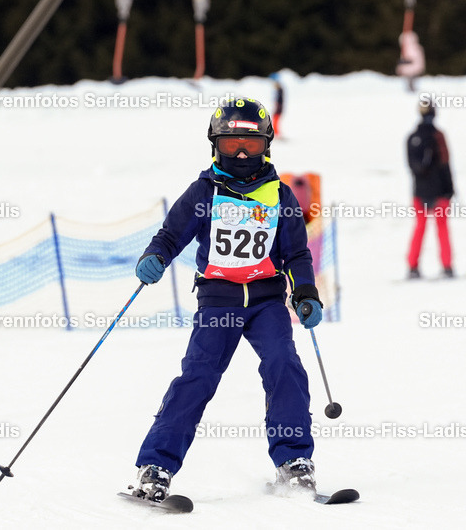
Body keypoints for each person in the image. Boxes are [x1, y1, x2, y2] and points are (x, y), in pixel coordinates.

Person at [129, 98, 322, 502]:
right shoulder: (205, 191)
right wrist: (155, 257)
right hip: (219, 301)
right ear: (214, 144)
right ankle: (156, 467)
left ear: (266, 145)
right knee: (197, 377)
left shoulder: (279, 195)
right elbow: (171, 234)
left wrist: (304, 290)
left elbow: (296, 253)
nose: (239, 152)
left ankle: (295, 462)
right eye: (230, 143)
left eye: (249, 145)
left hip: (267, 301)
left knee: (284, 364)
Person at [406, 98, 455, 278]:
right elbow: (445, 165)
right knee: (440, 228)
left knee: (421, 227)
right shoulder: (437, 136)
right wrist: (450, 189)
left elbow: (413, 167)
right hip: (439, 191)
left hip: (420, 192)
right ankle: (447, 266)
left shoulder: (412, 138)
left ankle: (413, 266)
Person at [269, 71, 285, 138]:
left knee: (275, 120)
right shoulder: (279, 89)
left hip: (279, 108)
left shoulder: (279, 89)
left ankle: (277, 134)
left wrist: (277, 107)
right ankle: (276, 133)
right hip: (278, 107)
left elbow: (279, 100)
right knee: (275, 120)